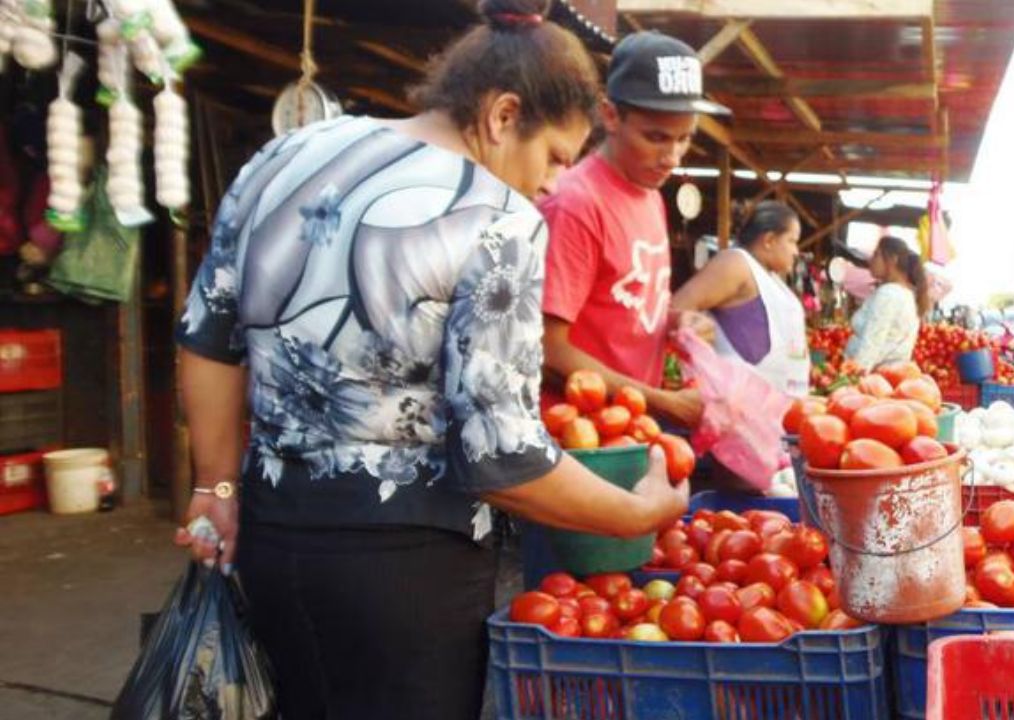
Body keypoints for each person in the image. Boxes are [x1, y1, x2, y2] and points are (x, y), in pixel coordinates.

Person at [171, 3, 689, 718]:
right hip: (407, 568)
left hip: (271, 538)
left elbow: (207, 337)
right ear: (504, 115)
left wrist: (216, 489)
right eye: (553, 159)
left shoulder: (286, 155)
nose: (550, 186)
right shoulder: (497, 217)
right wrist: (636, 513)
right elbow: (502, 459)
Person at [540, 30, 727, 427]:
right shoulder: (576, 204)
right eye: (656, 137)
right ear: (610, 116)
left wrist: (677, 324)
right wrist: (664, 403)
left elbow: (629, 308)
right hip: (577, 438)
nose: (671, 157)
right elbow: (547, 349)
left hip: (629, 428)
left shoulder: (650, 195)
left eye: (684, 139)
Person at [669, 201, 809, 397]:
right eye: (792, 241)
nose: (796, 251)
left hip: (776, 411)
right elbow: (676, 308)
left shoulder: (771, 278)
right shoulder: (735, 264)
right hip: (735, 407)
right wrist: (694, 333)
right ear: (769, 240)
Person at [842, 235, 931, 370]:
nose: (871, 260)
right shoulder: (906, 293)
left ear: (892, 260)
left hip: (875, 377)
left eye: (876, 255)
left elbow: (872, 343)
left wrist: (854, 376)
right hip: (889, 375)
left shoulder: (889, 294)